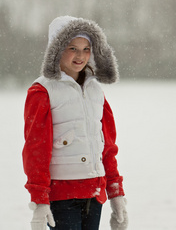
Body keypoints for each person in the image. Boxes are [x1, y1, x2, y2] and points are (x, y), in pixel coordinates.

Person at [22, 15, 128, 230]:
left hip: (94, 193)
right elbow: (36, 150)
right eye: (72, 48)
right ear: (56, 49)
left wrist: (116, 193)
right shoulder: (42, 91)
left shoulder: (95, 90)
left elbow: (107, 146)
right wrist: (39, 199)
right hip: (62, 196)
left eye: (86, 49)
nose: (80, 56)